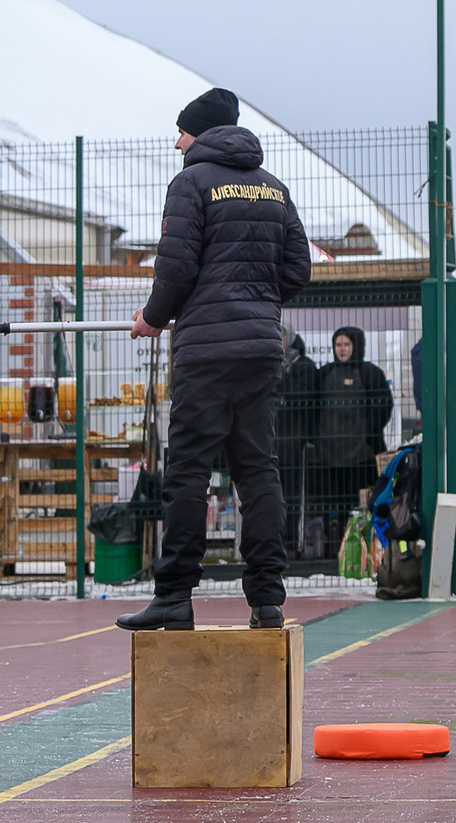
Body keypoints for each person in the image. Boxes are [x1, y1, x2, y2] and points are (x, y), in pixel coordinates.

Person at [118, 88, 309, 632]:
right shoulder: (273, 188)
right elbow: (297, 270)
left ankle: (174, 596)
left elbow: (175, 268)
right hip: (260, 350)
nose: (177, 142)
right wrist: (255, 302)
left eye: (180, 131)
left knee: (188, 472)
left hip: (205, 353)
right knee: (257, 470)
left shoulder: (191, 183)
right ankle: (267, 601)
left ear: (199, 132)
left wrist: (154, 316)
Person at [312, 327, 393, 553]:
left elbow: (383, 407)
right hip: (330, 457)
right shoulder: (324, 373)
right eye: (338, 345)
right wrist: (318, 439)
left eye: (346, 344)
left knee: (363, 504)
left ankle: (365, 549)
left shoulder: (370, 373)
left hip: (362, 456)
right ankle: (335, 549)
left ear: (356, 346)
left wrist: (367, 433)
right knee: (334, 505)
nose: (342, 349)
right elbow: (312, 408)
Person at [275, 327, 321, 561]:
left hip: (294, 444)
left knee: (293, 497)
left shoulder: (305, 366)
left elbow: (306, 398)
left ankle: (293, 544)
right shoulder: (266, 363)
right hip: (269, 441)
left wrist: (283, 378)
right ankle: (271, 543)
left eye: (282, 335)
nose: (279, 339)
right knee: (269, 496)